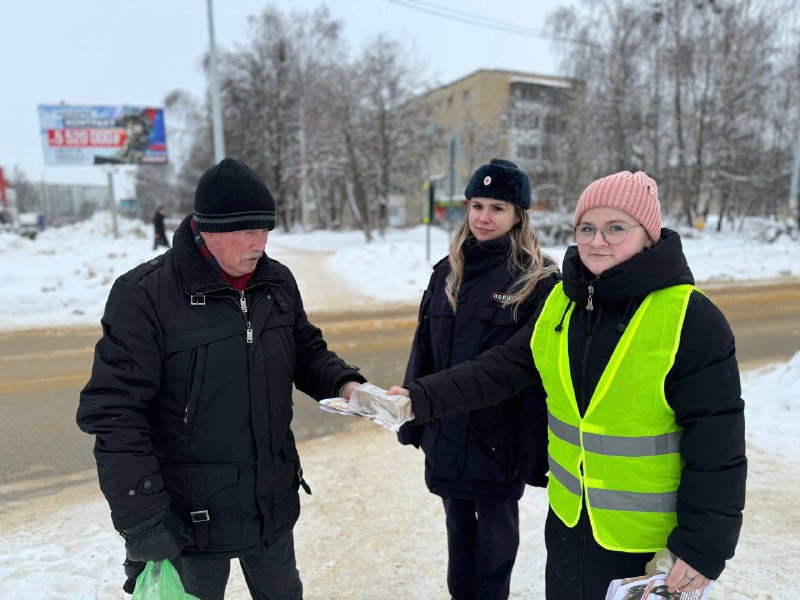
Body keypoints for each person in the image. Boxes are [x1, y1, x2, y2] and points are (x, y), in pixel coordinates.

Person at [389, 171, 746, 599]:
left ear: (648, 235)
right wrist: (420, 398)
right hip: (568, 526)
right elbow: (502, 368)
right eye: (587, 228)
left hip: (645, 547)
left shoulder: (691, 317)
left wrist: (700, 548)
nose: (598, 241)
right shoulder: (564, 302)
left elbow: (718, 447)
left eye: (617, 228)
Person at [77, 158, 366, 600]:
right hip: (188, 516)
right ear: (204, 228)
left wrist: (346, 383)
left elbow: (305, 350)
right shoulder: (144, 294)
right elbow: (114, 413)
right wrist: (144, 518)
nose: (258, 243)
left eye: (264, 229)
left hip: (268, 500)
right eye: (243, 231)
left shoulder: (277, 281)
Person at [397, 158, 559, 600]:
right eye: (477, 205)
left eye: (498, 208)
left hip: (498, 442)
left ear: (518, 215)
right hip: (448, 432)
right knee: (458, 547)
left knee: (493, 556)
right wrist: (412, 420)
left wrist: (535, 449)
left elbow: (533, 372)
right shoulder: (446, 271)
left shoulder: (538, 278)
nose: (484, 218)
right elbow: (423, 351)